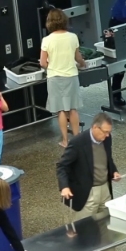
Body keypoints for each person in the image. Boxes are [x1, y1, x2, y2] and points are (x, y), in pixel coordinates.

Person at [57, 113, 126, 251]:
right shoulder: (78, 142)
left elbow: (108, 159)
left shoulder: (106, 138)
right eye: (104, 132)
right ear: (95, 128)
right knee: (85, 232)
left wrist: (114, 171)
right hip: (86, 193)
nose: (107, 135)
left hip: (105, 189)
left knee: (107, 228)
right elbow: (62, 166)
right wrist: (64, 187)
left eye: (109, 132)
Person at [39, 8, 86, 148]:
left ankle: (65, 141)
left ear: (49, 22)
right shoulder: (73, 37)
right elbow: (78, 57)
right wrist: (83, 64)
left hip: (54, 78)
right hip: (71, 76)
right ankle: (77, 140)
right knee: (73, 109)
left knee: (61, 110)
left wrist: (52, 66)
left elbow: (43, 63)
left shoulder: (46, 40)